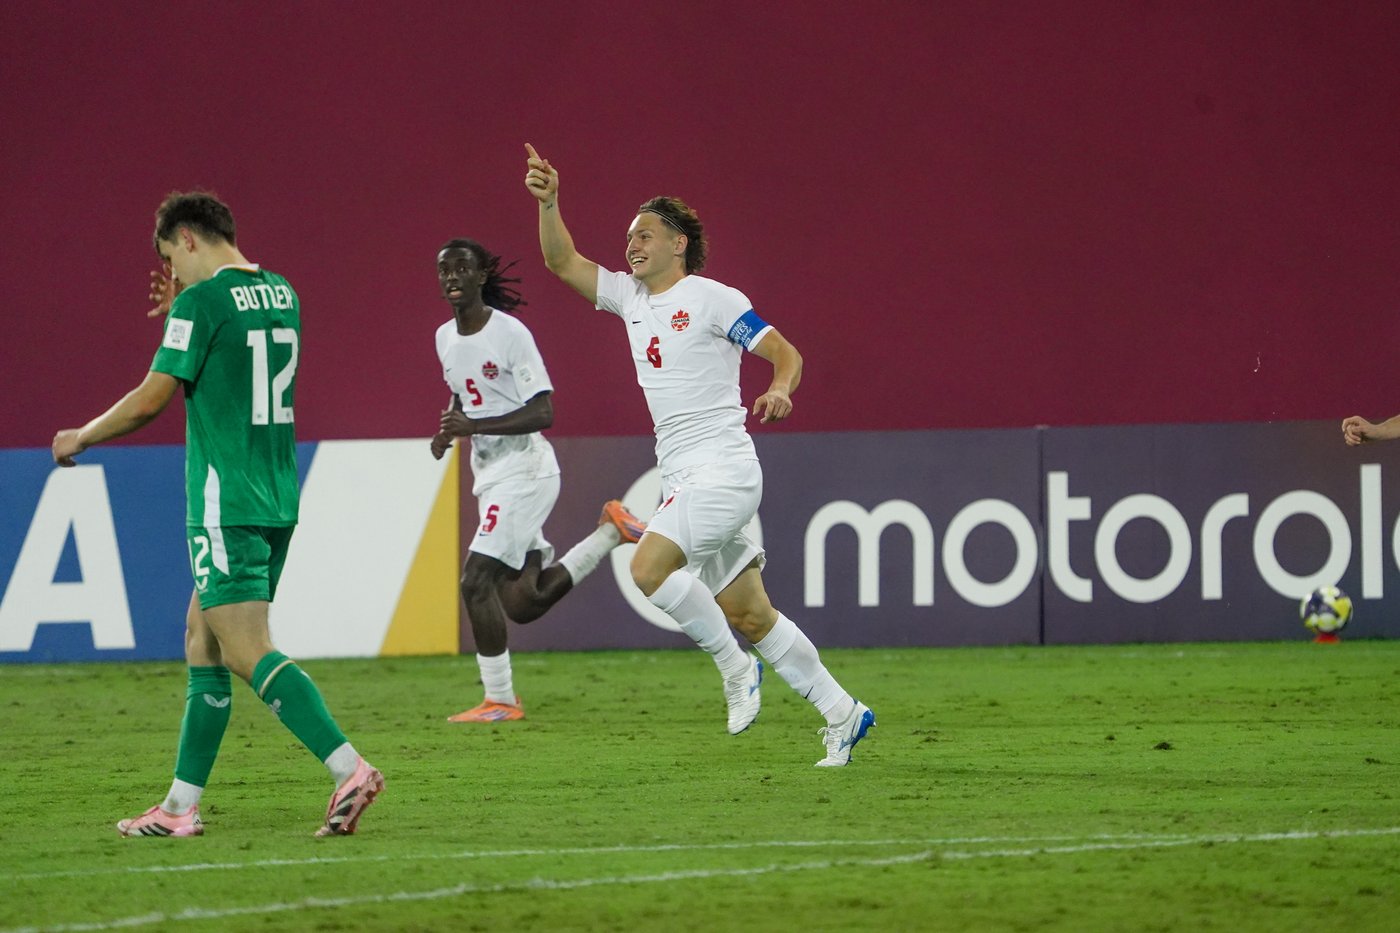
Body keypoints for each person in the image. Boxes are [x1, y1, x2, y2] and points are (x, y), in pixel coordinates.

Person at [522, 143, 875, 767]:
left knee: (647, 570)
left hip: (724, 468)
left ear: (679, 243)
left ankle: (735, 670)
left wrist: (779, 389)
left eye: (646, 235)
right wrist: (550, 202)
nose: (632, 246)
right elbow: (560, 261)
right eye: (629, 237)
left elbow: (785, 354)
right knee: (750, 611)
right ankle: (842, 713)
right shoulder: (630, 299)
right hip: (682, 473)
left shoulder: (716, 300)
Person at [51, 191, 382, 837]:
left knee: (246, 649)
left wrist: (82, 434)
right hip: (276, 494)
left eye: (171, 256)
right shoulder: (283, 292)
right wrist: (182, 312)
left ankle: (350, 767)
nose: (172, 271)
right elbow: (233, 355)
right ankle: (179, 807)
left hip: (223, 501)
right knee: (202, 638)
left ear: (189, 237)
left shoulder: (200, 304)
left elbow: (153, 398)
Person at [429, 238, 645, 722]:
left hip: (526, 471)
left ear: (482, 275)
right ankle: (612, 531)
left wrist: (474, 426)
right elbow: (464, 395)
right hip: (490, 474)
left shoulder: (510, 334)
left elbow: (544, 410)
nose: (452, 278)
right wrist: (449, 430)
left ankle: (500, 700)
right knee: (523, 603)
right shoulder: (445, 337)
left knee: (473, 580)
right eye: (445, 271)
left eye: (462, 269)